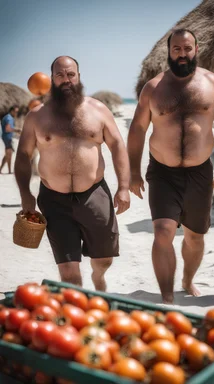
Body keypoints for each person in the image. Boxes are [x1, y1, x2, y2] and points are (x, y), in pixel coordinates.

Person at [127, 29, 214, 304]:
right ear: (168, 52)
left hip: (199, 172)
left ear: (196, 50)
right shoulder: (153, 88)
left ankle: (187, 280)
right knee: (162, 232)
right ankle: (167, 296)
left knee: (195, 237)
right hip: (162, 172)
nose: (182, 54)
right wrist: (133, 173)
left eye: (187, 48)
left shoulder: (212, 83)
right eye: (176, 49)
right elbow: (136, 130)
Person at [14, 56, 130, 290]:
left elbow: (117, 145)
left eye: (70, 74)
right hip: (54, 200)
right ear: (52, 79)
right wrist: (26, 194)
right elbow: (23, 156)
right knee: (69, 271)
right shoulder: (37, 116)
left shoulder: (97, 109)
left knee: (103, 259)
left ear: (78, 77)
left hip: (94, 193)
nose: (66, 79)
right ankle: (80, 307)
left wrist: (124, 187)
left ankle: (98, 278)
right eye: (60, 75)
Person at [0, 105, 20, 174]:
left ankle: (4, 170)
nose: (16, 113)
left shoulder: (8, 117)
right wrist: (17, 130)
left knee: (8, 154)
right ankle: (9, 171)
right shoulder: (9, 118)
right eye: (15, 112)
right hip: (7, 137)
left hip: (6, 137)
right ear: (12, 111)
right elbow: (7, 129)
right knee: (9, 154)